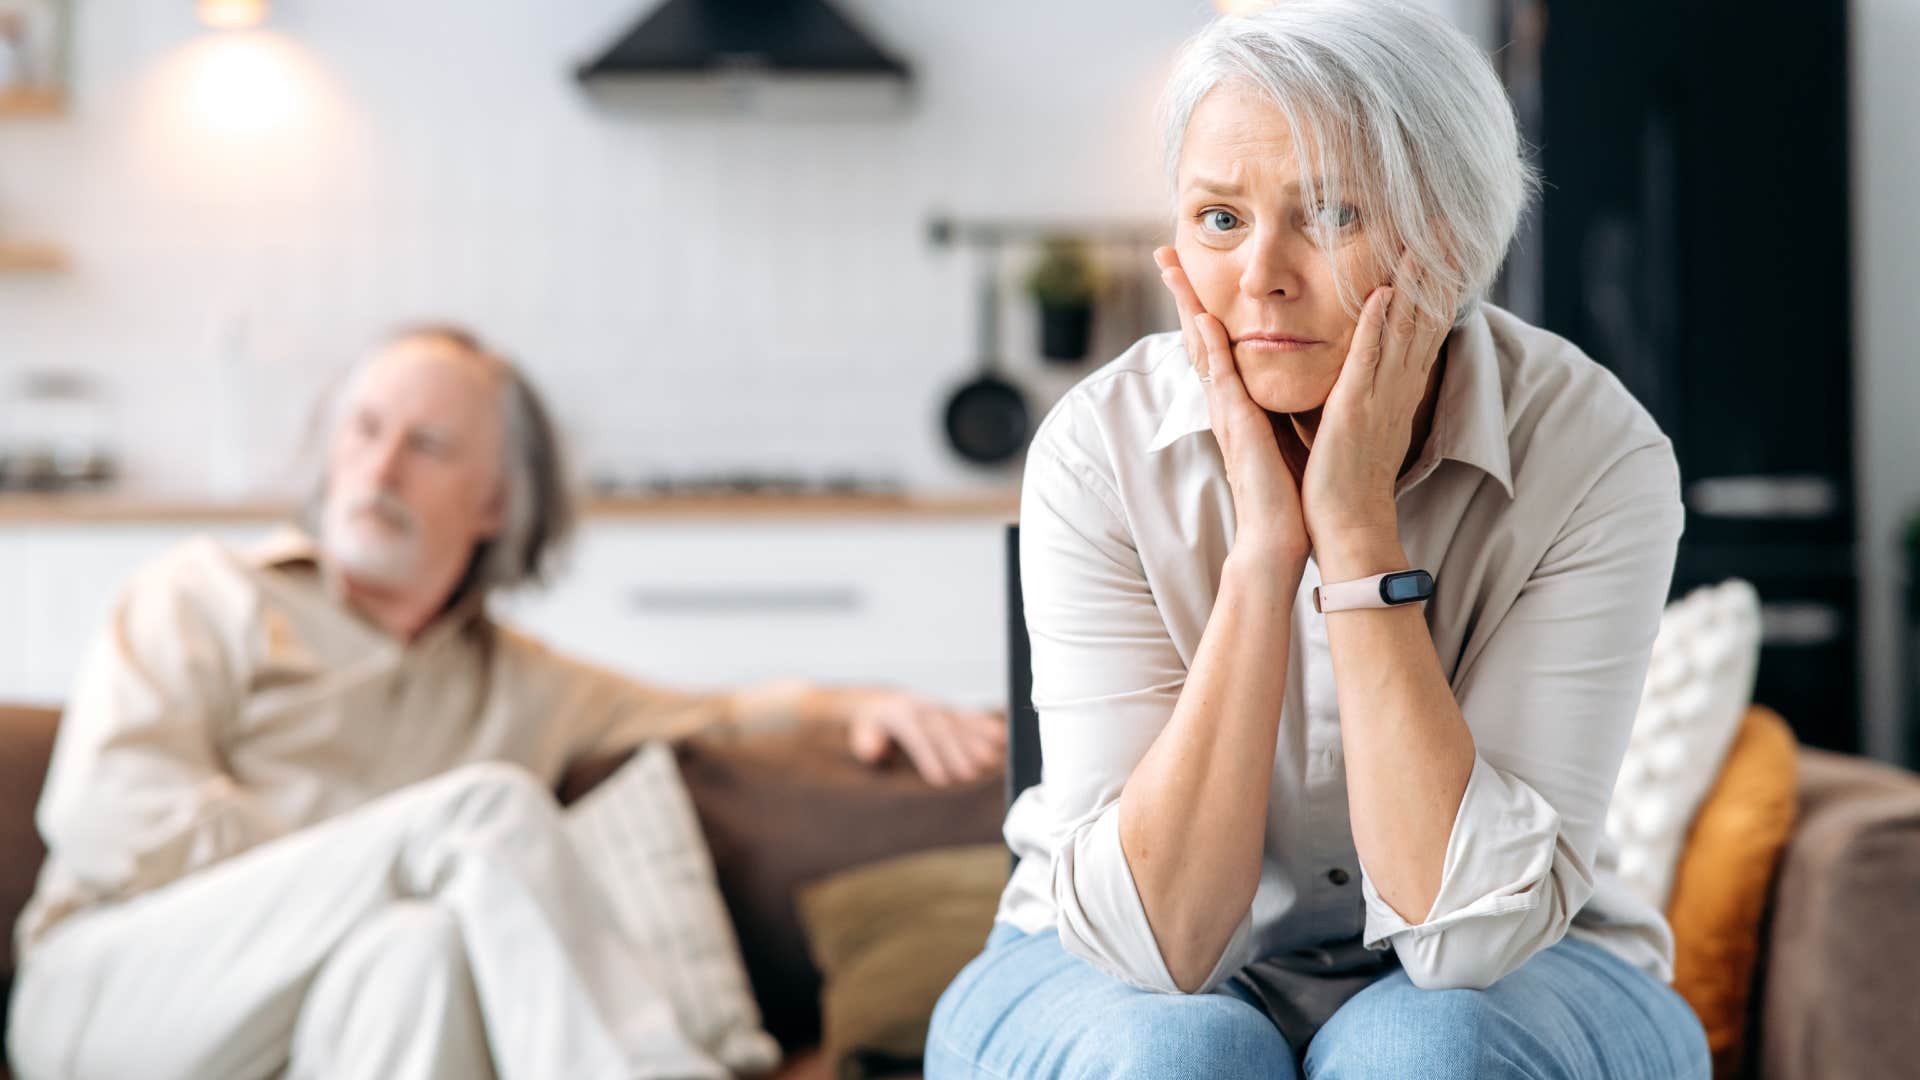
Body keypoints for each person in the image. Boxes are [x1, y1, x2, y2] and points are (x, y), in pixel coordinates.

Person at [927, 1, 1710, 1076]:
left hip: (1535, 966)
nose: (1260, 277)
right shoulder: (1097, 451)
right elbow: (1156, 945)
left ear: (1454, 236)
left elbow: (1467, 935)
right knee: (1176, 1056)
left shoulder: (1595, 453)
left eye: (1332, 213)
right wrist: (1263, 557)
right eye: (1219, 219)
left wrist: (1352, 531)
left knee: (1429, 1052)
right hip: (1091, 956)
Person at [7, 324, 1005, 1079]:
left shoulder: (521, 685)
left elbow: (715, 713)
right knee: (477, 813)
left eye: (427, 444)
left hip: (311, 1019)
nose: (378, 466)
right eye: (364, 429)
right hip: (108, 995)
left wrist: (861, 702)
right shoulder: (205, 592)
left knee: (420, 948)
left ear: (495, 502)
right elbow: (109, 822)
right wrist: (376, 855)